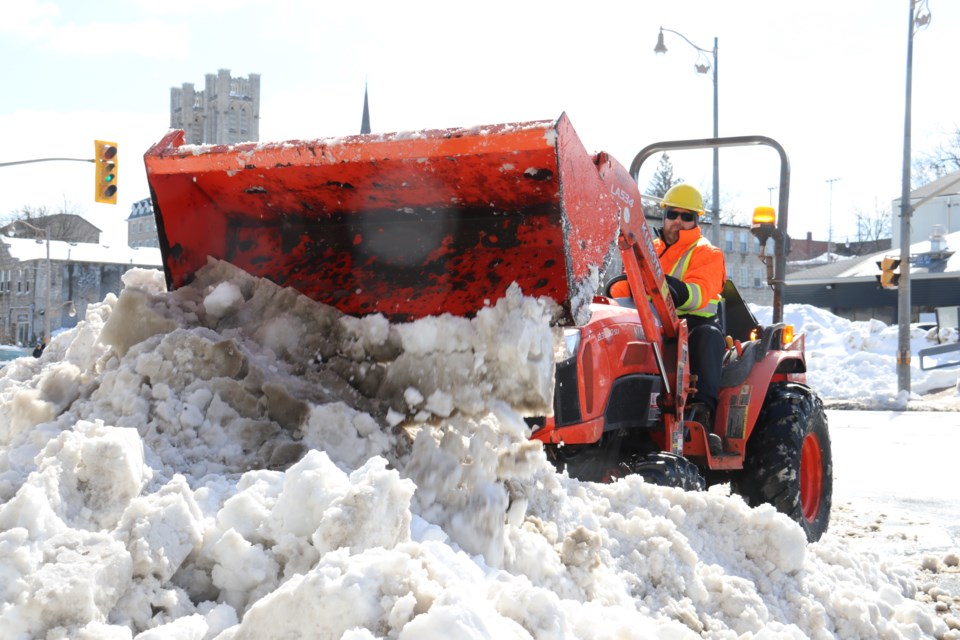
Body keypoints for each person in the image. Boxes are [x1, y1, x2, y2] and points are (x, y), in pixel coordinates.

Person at [610, 183, 727, 454]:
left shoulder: (706, 253)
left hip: (692, 322)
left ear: (696, 220)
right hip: (653, 321)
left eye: (687, 217)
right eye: (673, 214)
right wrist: (617, 290)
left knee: (706, 337)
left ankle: (701, 415)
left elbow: (700, 293)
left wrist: (674, 288)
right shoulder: (647, 249)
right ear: (664, 216)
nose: (678, 222)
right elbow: (629, 286)